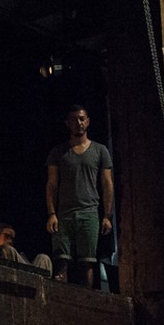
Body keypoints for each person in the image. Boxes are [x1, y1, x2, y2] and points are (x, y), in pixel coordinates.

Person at [44, 104, 114, 287]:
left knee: (87, 262)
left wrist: (107, 215)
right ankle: (60, 298)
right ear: (67, 123)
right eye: (74, 119)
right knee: (61, 261)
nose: (79, 123)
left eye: (82, 119)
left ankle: (87, 298)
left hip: (89, 212)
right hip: (64, 214)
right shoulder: (58, 152)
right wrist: (51, 213)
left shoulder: (100, 150)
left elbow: (107, 184)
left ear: (88, 121)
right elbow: (51, 184)